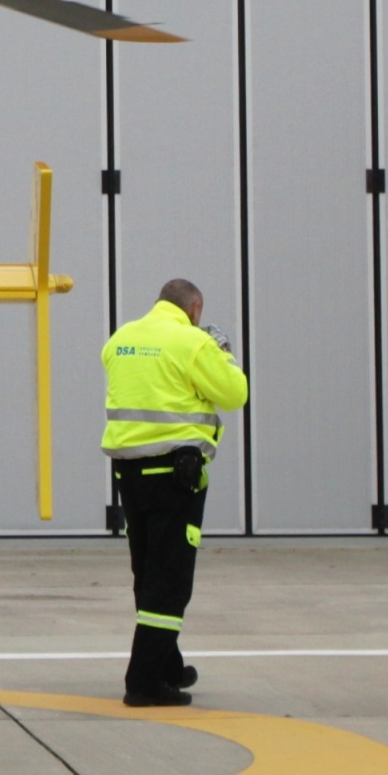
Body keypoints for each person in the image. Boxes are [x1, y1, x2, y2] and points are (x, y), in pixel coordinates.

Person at [99, 278, 250, 707]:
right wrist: (222, 352)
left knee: (147, 571)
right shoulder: (192, 342)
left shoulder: (121, 339)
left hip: (129, 474)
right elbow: (235, 393)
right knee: (170, 581)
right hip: (174, 475)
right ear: (195, 307)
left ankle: (167, 662)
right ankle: (143, 682)